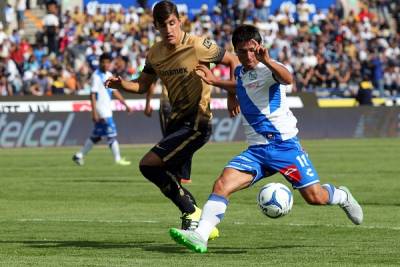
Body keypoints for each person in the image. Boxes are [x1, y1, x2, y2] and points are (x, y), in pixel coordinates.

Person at [169, 25, 363, 253]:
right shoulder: (241, 72)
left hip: (285, 148)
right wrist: (216, 82)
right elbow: (241, 85)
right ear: (236, 51)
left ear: (260, 47)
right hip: (257, 152)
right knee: (222, 184)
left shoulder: (270, 69)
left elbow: (287, 78)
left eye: (252, 50)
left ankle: (341, 195)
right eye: (242, 51)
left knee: (315, 197)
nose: (248, 56)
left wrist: (268, 60)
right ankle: (200, 236)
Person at [105, 0, 239, 239]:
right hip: (175, 122)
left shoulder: (198, 45)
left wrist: (231, 95)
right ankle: (196, 223)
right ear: (156, 26)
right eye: (163, 25)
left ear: (180, 22)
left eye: (172, 23)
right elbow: (142, 84)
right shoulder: (154, 53)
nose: (169, 29)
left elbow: (232, 61)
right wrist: (121, 84)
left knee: (148, 164)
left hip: (198, 122)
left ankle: (192, 212)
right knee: (169, 176)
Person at [73, 53, 132, 166]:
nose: (105, 64)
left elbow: (115, 91)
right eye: (103, 62)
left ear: (110, 63)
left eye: (108, 62)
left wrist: (126, 105)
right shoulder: (96, 76)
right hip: (102, 111)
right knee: (112, 134)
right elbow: (93, 94)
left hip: (106, 110)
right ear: (100, 63)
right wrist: (94, 112)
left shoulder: (109, 75)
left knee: (97, 136)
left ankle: (79, 155)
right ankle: (118, 159)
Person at [144, 83, 192, 184]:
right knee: (187, 138)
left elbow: (151, 83)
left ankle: (176, 174)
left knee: (170, 141)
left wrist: (147, 104)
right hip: (186, 103)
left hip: (169, 104)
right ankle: (184, 175)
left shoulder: (162, 66)